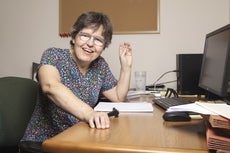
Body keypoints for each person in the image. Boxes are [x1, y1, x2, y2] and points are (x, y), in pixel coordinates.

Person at [19, 11, 132, 152]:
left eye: (98, 40)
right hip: (43, 143)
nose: (90, 44)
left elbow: (118, 97)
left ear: (103, 47)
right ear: (73, 37)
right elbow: (50, 86)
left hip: (78, 140)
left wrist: (126, 67)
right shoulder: (54, 55)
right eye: (85, 36)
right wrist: (90, 113)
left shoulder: (100, 65)